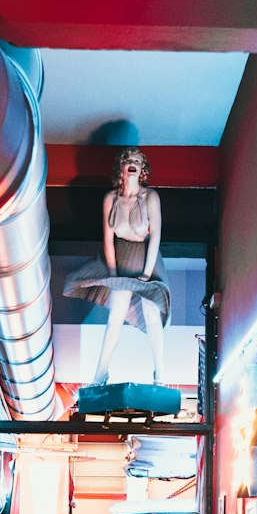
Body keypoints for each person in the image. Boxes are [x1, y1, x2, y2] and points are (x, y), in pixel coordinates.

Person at [63, 147, 171, 386]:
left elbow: (155, 237)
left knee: (152, 313)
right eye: (128, 160)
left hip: (146, 257)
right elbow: (107, 240)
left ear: (142, 170)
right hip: (121, 257)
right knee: (115, 317)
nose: (132, 163)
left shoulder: (150, 197)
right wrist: (112, 274)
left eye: (137, 161)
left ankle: (160, 375)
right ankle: (100, 374)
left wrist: (146, 273)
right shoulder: (110, 199)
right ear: (121, 168)